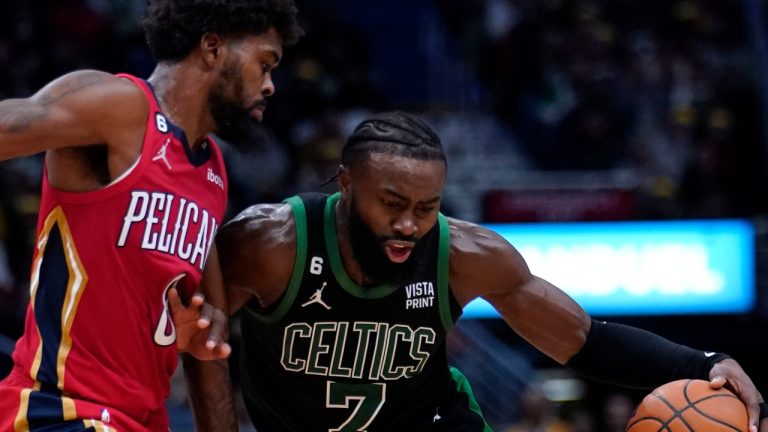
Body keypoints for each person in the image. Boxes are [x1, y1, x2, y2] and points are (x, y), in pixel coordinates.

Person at [187, 111, 767, 431]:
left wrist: (705, 363)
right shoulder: (271, 243)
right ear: (345, 184)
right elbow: (200, 349)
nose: (410, 225)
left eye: (426, 207)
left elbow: (582, 341)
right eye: (391, 205)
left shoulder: (466, 254)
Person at [0, 0, 302, 430]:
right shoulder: (120, 107)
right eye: (265, 63)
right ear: (213, 48)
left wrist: (199, 332)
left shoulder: (212, 171)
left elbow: (209, 352)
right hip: (61, 409)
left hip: (141, 420)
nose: (270, 85)